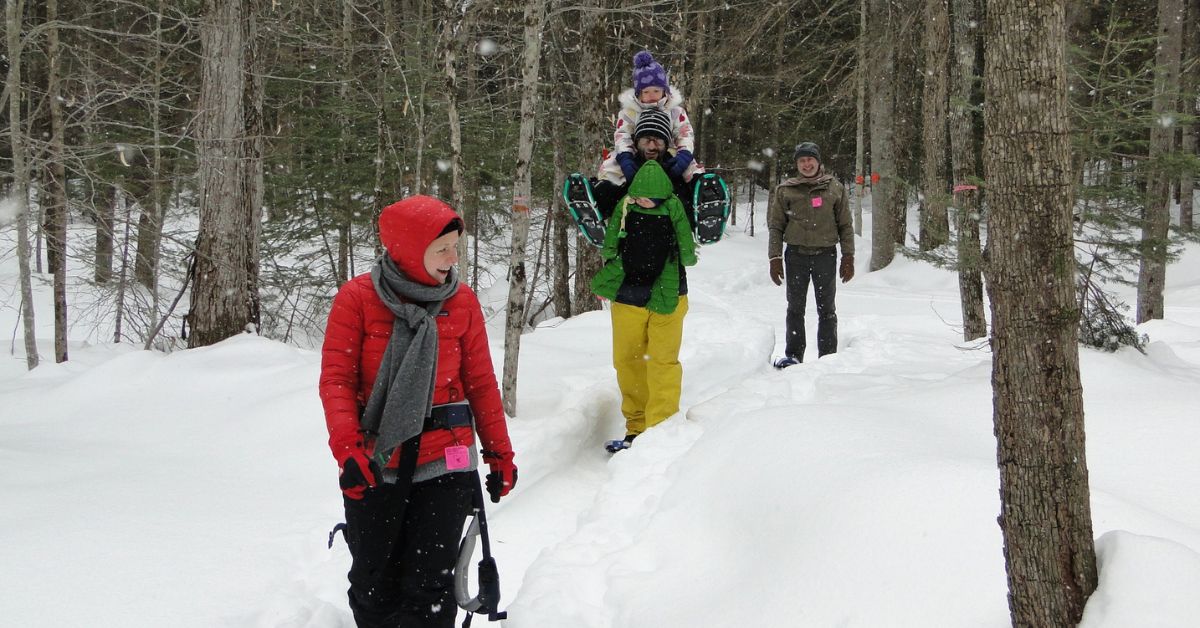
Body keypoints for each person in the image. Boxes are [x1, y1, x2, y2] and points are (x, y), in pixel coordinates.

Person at [319, 195, 517, 627]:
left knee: (430, 585)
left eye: (456, 247)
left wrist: (500, 454)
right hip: (375, 461)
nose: (453, 258)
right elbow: (337, 381)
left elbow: (481, 385)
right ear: (409, 247)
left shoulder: (461, 302)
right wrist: (348, 451)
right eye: (442, 248)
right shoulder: (357, 299)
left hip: (446, 460)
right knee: (373, 583)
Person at [591, 158, 698, 451]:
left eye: (645, 198)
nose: (641, 202)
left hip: (668, 293)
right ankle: (636, 427)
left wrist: (687, 257)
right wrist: (610, 251)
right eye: (638, 196)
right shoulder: (626, 203)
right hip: (630, 294)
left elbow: (687, 244)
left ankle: (659, 430)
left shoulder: (674, 204)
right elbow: (612, 237)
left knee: (662, 361)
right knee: (628, 361)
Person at [767, 142, 855, 368]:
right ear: (797, 164)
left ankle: (827, 357)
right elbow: (776, 226)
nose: (807, 164)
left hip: (825, 255)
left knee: (827, 309)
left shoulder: (834, 187)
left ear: (818, 161)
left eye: (810, 160)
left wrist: (848, 256)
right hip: (796, 255)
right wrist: (775, 258)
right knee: (795, 308)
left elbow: (845, 225)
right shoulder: (785, 189)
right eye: (802, 161)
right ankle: (794, 355)